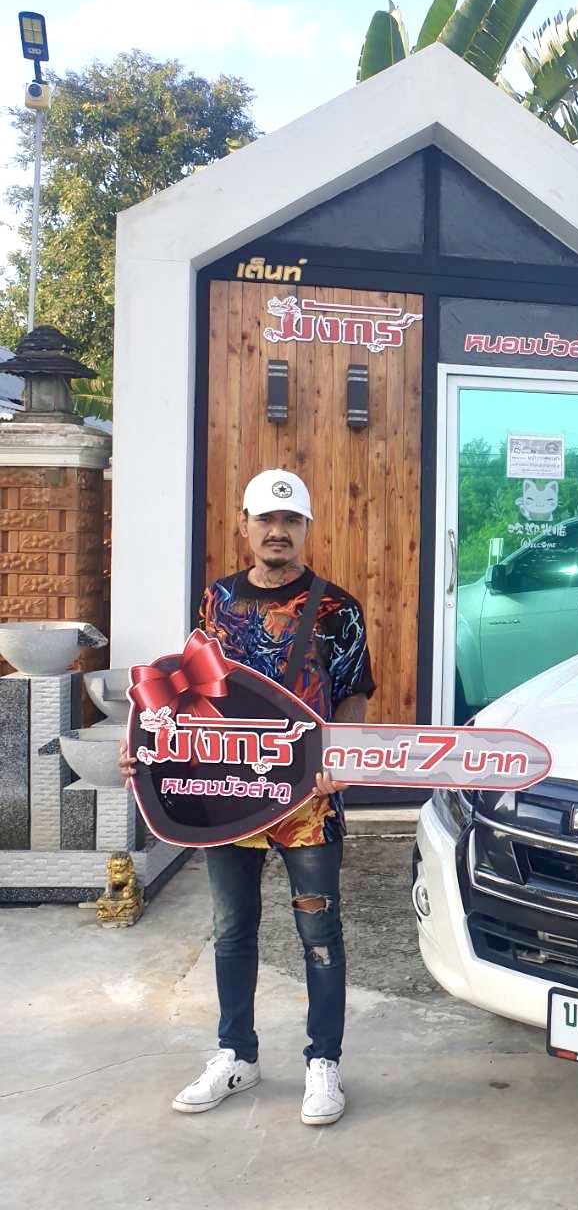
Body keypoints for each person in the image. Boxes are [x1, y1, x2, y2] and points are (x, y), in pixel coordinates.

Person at [120, 468, 374, 1125]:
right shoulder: (218, 599)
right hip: (229, 798)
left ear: (306, 529)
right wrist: (147, 749)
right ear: (245, 526)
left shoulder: (337, 608)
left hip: (308, 805)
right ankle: (236, 1053)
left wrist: (340, 756)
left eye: (290, 521)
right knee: (232, 929)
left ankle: (324, 1061)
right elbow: (189, 692)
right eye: (266, 519)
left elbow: (354, 693)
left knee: (319, 930)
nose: (277, 531)